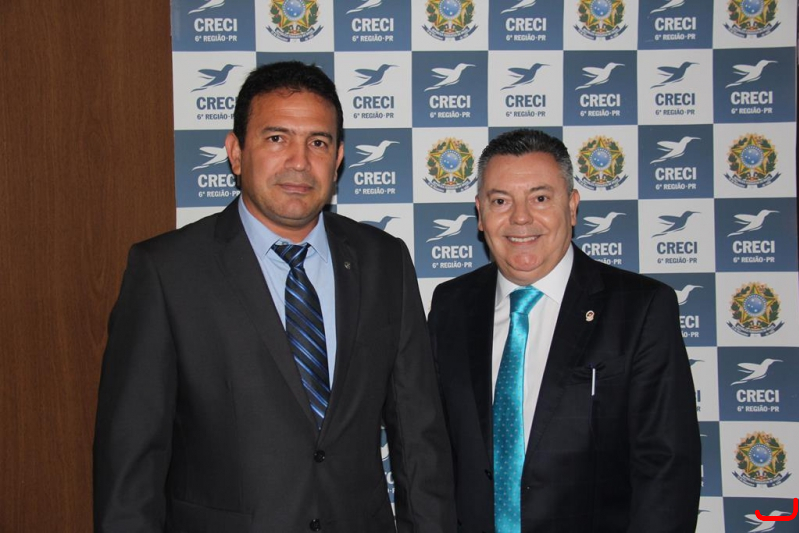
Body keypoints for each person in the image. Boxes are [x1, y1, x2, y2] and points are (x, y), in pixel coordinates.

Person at [94, 61, 455, 533]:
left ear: (339, 158)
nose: (299, 162)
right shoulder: (166, 272)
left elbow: (419, 438)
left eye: (318, 142)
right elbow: (131, 464)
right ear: (236, 152)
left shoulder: (384, 261)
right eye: (277, 138)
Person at [428, 129, 701, 533]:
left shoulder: (640, 308)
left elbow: (667, 469)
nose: (521, 218)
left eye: (540, 198)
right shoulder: (451, 305)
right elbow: (432, 449)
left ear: (572, 207)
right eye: (501, 201)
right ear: (480, 213)